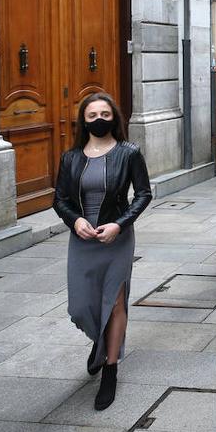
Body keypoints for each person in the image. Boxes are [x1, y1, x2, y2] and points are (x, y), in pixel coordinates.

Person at [54, 92, 152, 411]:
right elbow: (60, 200)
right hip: (82, 240)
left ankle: (110, 367)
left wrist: (119, 225)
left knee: (115, 302)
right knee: (82, 306)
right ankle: (100, 341)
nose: (99, 120)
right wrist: (75, 220)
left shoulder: (129, 153)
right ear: (83, 119)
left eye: (105, 114)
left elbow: (143, 194)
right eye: (92, 115)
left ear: (115, 118)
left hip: (117, 239)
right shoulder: (70, 157)